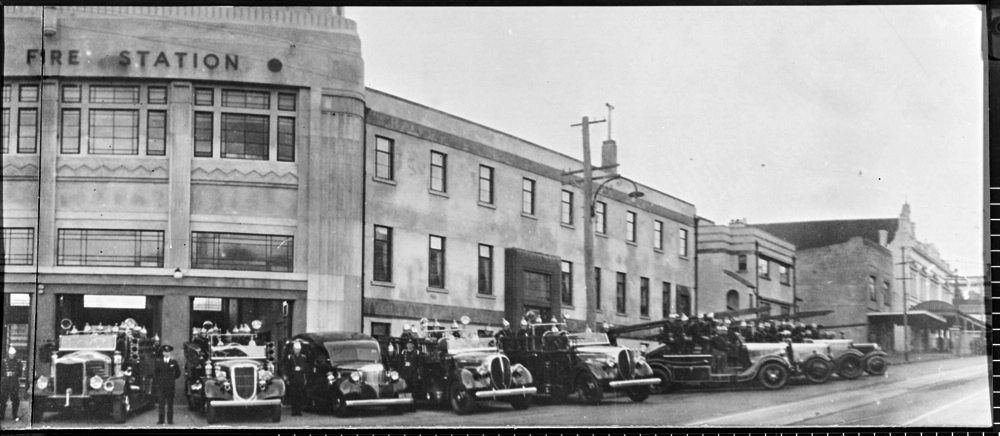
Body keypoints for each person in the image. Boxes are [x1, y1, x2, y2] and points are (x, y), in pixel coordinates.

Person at [153, 344, 181, 425]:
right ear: (162, 352)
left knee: (170, 404)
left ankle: (170, 420)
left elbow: (178, 373)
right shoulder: (159, 362)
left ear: (170, 353)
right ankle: (161, 420)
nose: (166, 353)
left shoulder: (173, 362)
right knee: (161, 404)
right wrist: (159, 381)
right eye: (165, 352)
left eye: (168, 352)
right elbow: (156, 373)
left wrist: (172, 379)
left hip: (170, 386)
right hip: (161, 386)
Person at [282, 340, 310, 416]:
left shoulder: (303, 357)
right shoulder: (290, 357)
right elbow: (287, 367)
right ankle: (294, 410)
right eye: (296, 349)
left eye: (298, 349)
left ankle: (299, 410)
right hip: (293, 377)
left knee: (300, 395)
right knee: (293, 395)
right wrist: (287, 377)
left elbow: (306, 367)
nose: (297, 350)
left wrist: (301, 368)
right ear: (293, 349)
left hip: (300, 378)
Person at [2, 347, 22, 422]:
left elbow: (20, 373)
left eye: (13, 354)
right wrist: (5, 374)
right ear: (8, 354)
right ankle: (1, 415)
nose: (11, 356)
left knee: (15, 400)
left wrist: (14, 374)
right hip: (5, 383)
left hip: (14, 383)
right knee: (3, 399)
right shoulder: (4, 362)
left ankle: (15, 415)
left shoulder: (18, 362)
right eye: (10, 354)